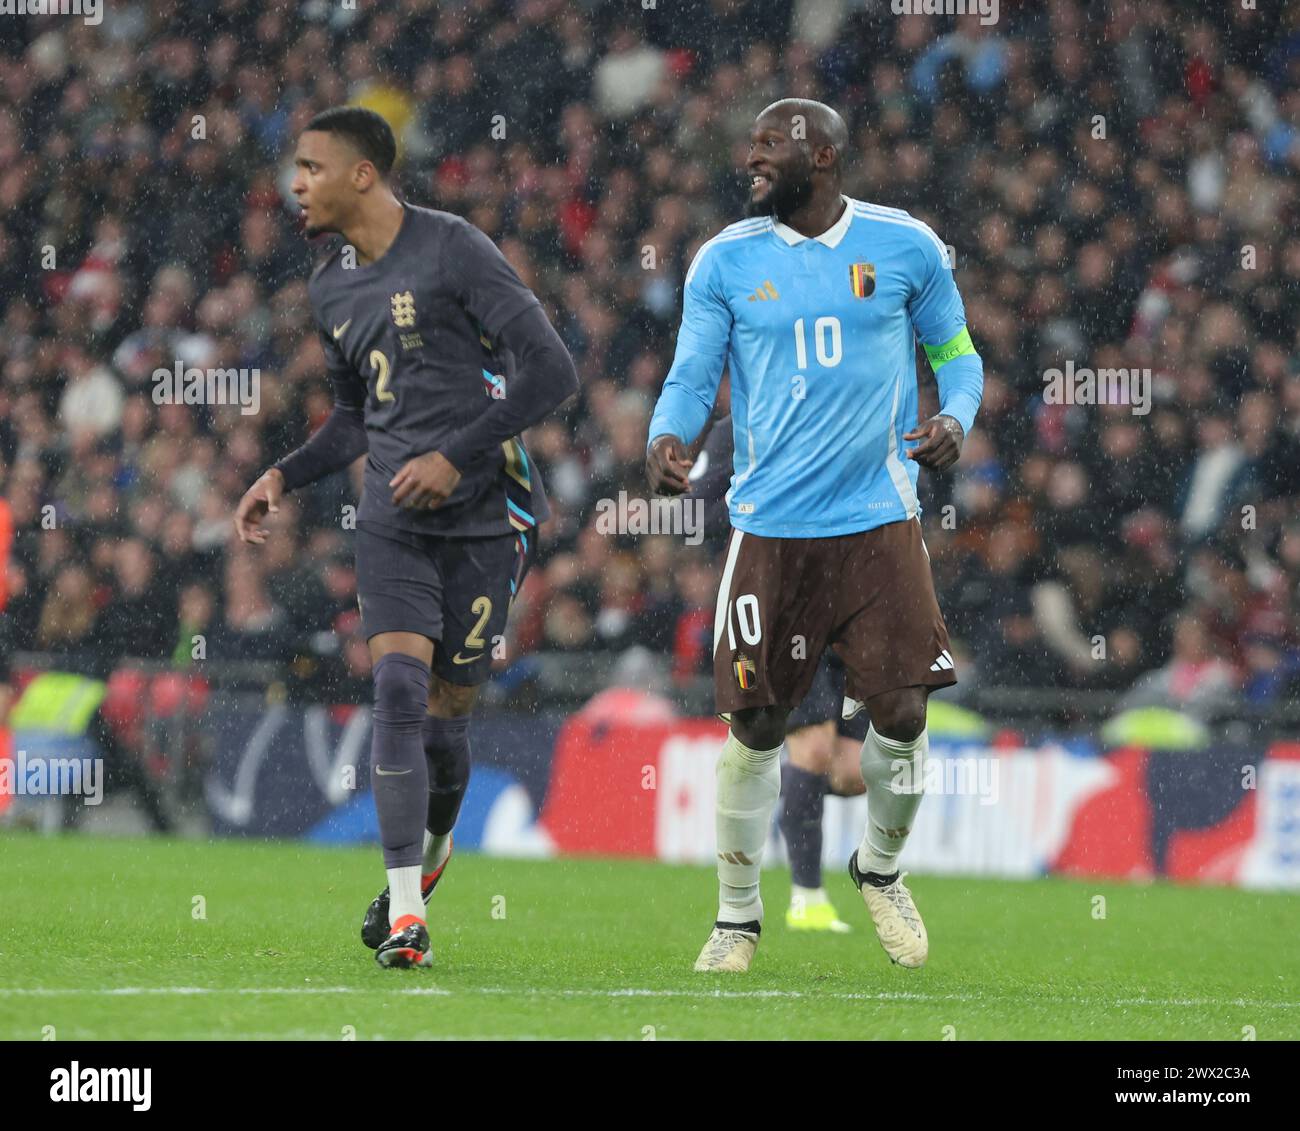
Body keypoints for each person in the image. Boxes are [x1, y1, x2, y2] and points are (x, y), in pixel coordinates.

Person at [234, 107, 578, 969]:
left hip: (485, 517)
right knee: (397, 689)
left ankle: (430, 853)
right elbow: (355, 420)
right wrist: (284, 474)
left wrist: (453, 455)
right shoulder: (328, 285)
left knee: (449, 717)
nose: (296, 184)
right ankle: (403, 915)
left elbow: (552, 370)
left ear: (362, 173)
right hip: (390, 520)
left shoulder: (454, 247)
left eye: (311, 167)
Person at [647, 99, 982, 973]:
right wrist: (665, 434)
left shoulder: (905, 245)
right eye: (749, 144)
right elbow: (693, 372)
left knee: (903, 709)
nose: (749, 159)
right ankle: (736, 917)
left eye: (768, 147)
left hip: (878, 518)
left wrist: (958, 418)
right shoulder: (725, 260)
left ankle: (877, 868)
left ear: (822, 156)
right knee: (756, 724)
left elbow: (959, 353)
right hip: (772, 528)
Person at [690, 412, 866, 934]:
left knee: (853, 772)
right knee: (812, 747)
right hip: (781, 606)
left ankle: (773, 790)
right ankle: (807, 897)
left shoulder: (854, 412)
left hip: (848, 607)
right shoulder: (739, 428)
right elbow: (697, 508)